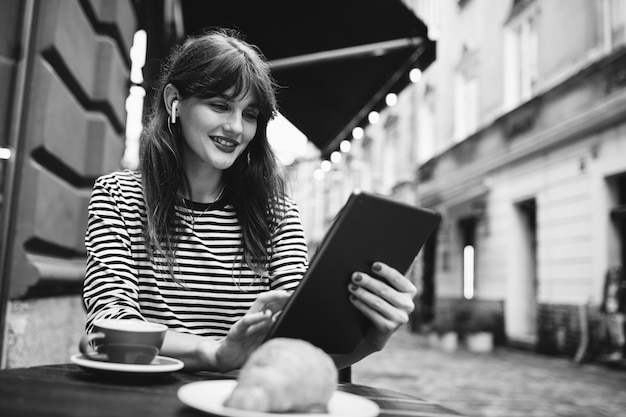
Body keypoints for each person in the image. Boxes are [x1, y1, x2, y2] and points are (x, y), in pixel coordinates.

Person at [83, 28, 417, 372]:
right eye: (220, 105)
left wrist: (368, 341)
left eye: (249, 114)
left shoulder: (276, 213)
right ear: (174, 102)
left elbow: (300, 345)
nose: (236, 128)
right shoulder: (118, 197)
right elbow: (108, 327)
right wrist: (215, 353)